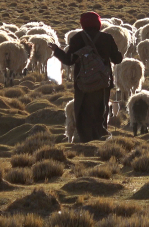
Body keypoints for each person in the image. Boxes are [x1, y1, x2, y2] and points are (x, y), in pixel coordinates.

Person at [49, 12, 122, 142]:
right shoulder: (107, 38)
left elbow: (69, 60)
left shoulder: (77, 38)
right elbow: (117, 59)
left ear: (83, 23)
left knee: (83, 112)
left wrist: (56, 50)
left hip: (83, 83)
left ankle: (85, 140)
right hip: (102, 82)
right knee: (101, 112)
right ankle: (100, 139)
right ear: (98, 23)